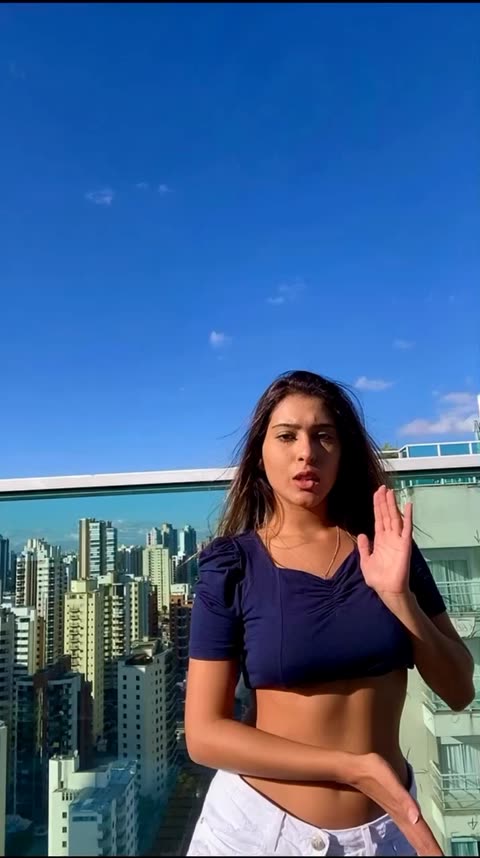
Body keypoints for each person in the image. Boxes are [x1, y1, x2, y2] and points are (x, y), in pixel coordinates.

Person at [185, 370, 474, 857]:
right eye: (287, 436)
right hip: (259, 835)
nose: (307, 452)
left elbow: (459, 690)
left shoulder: (390, 549)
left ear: (343, 452)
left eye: (324, 436)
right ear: (260, 453)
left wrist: (398, 597)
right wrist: (351, 767)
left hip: (385, 835)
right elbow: (204, 735)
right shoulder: (232, 565)